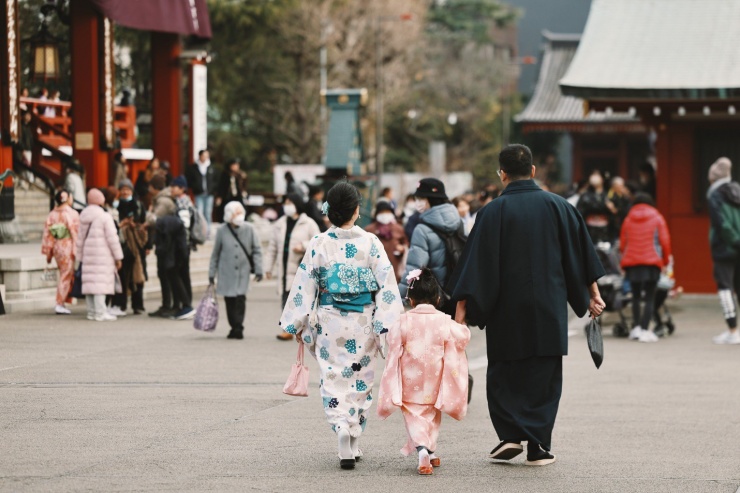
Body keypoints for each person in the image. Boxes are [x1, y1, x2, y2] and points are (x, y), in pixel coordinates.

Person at [450, 144, 605, 466]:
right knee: (544, 375)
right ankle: (538, 446)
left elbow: (475, 265)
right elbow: (580, 256)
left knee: (505, 371)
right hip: (548, 306)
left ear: (502, 174)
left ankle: (510, 436)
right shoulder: (560, 207)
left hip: (506, 309)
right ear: (533, 170)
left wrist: (462, 311)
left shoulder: (491, 212)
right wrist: (593, 293)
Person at [279, 181, 403, 470]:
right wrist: (386, 323)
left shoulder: (319, 243)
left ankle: (342, 430)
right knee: (361, 378)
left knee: (333, 377)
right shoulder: (371, 243)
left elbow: (305, 284)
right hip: (362, 320)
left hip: (329, 321)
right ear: (357, 210)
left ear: (329, 212)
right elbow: (386, 284)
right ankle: (354, 433)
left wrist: (296, 320)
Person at [376, 268, 470, 475]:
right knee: (431, 413)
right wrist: (462, 322)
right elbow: (463, 337)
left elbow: (392, 343)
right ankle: (430, 450)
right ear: (437, 298)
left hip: (411, 378)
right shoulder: (444, 321)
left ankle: (422, 450)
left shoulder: (403, 321)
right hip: (436, 378)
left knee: (413, 414)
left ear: (411, 300)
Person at [264, 193, 321, 340]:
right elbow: (272, 248)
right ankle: (287, 328)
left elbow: (318, 242)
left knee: (300, 299)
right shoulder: (279, 223)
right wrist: (268, 268)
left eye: (290, 203)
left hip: (300, 268)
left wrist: (302, 246)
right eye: (286, 203)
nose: (287, 206)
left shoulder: (308, 223)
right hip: (284, 268)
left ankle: (300, 328)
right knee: (286, 297)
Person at [620, 193, 672, 343]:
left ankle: (635, 329)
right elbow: (665, 241)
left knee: (635, 296)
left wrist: (625, 258)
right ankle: (645, 329)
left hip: (632, 262)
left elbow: (623, 243)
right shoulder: (657, 217)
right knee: (650, 296)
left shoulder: (628, 219)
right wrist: (666, 260)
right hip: (652, 262)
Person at [399, 178, 463, 298]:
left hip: (434, 297)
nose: (417, 202)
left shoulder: (422, 230)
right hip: (457, 292)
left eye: (421, 199)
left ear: (431, 200)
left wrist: (400, 296)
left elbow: (415, 268)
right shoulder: (458, 222)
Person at [209, 201, 264, 339]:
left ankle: (238, 327)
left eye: (240, 212)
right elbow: (215, 253)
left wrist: (259, 269)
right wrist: (211, 273)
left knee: (240, 299)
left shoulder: (249, 229)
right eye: (236, 213)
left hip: (243, 272)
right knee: (229, 301)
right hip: (226, 272)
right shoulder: (222, 230)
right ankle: (234, 325)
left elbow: (257, 250)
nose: (239, 215)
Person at [76, 189, 124, 322]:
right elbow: (112, 238)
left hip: (88, 255)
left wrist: (79, 257)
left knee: (90, 284)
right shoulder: (104, 216)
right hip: (103, 255)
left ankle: (91, 312)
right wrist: (118, 257)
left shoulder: (83, 215)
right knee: (100, 285)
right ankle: (101, 312)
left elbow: (79, 238)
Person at [706, 157, 740, 345]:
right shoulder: (738, 190)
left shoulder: (714, 195)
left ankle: (733, 330)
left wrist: (733, 240)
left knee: (725, 288)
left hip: (724, 247)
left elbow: (721, 223)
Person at [153, 191, 194, 320]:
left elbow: (163, 242)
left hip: (172, 255)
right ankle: (181, 306)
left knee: (176, 280)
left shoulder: (163, 223)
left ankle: (186, 306)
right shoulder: (175, 222)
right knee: (178, 279)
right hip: (180, 254)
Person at [111, 179, 148, 315]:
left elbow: (145, 225)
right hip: (121, 244)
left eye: (128, 189)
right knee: (121, 275)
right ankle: (121, 304)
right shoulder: (115, 206)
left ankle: (138, 305)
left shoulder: (138, 205)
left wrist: (147, 245)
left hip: (137, 244)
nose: (125, 192)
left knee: (137, 274)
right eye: (123, 189)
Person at [41, 189, 80, 315]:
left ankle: (62, 301)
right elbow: (75, 232)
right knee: (66, 275)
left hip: (57, 246)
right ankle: (59, 302)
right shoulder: (72, 213)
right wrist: (76, 249)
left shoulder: (52, 214)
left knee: (64, 274)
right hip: (68, 245)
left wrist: (49, 252)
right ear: (67, 198)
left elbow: (47, 235)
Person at [364, 202, 407, 282]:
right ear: (377, 214)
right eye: (382, 212)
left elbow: (405, 244)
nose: (385, 215)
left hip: (393, 267)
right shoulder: (369, 229)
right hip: (374, 269)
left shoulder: (398, 229)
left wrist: (402, 249)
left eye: (387, 212)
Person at [577, 170, 615, 244]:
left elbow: (616, 212)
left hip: (605, 230)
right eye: (593, 175)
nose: (594, 177)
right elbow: (579, 211)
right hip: (589, 229)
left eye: (597, 175)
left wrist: (612, 209)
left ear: (603, 179)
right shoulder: (585, 195)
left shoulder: (609, 194)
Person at [187, 149, 218, 230]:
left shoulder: (211, 167)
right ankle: (200, 230)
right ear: (200, 156)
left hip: (209, 193)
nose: (205, 157)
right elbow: (190, 180)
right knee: (199, 212)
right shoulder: (194, 167)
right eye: (204, 155)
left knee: (208, 212)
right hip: (198, 193)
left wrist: (213, 190)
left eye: (207, 156)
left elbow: (215, 180)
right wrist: (195, 187)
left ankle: (207, 231)